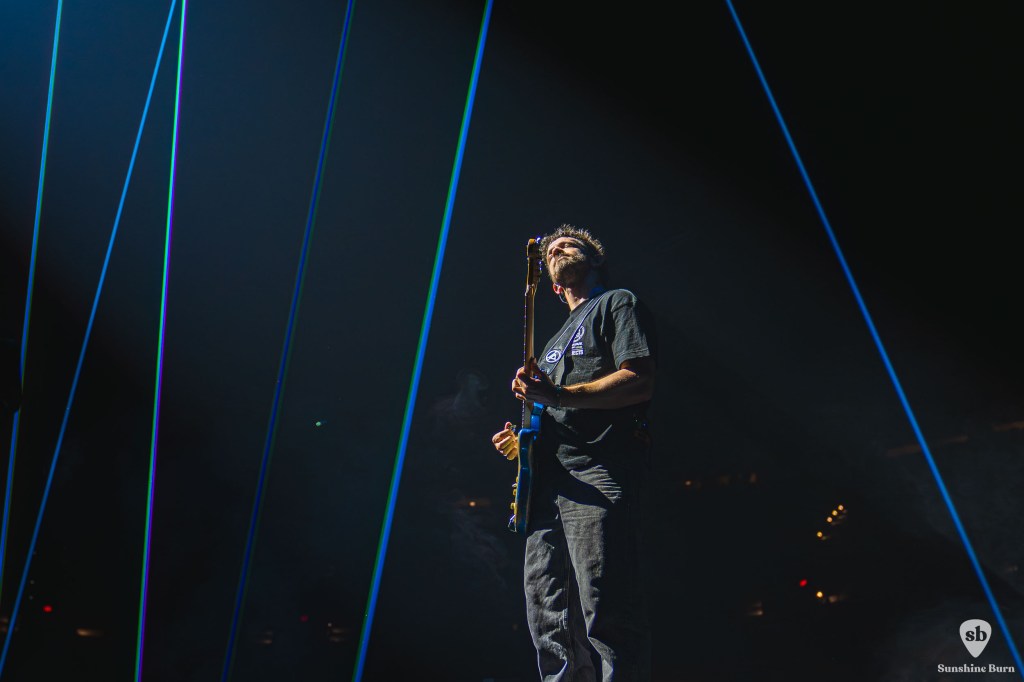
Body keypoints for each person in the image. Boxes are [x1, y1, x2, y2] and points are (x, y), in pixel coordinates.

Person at [491, 224, 657, 681]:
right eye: (551, 252)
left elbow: (639, 380)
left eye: (571, 244)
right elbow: (550, 414)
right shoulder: (548, 346)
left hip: (596, 472)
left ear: (595, 259)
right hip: (547, 487)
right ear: (550, 283)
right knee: (549, 618)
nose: (558, 249)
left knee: (606, 606)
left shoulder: (616, 303)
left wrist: (558, 395)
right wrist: (520, 444)